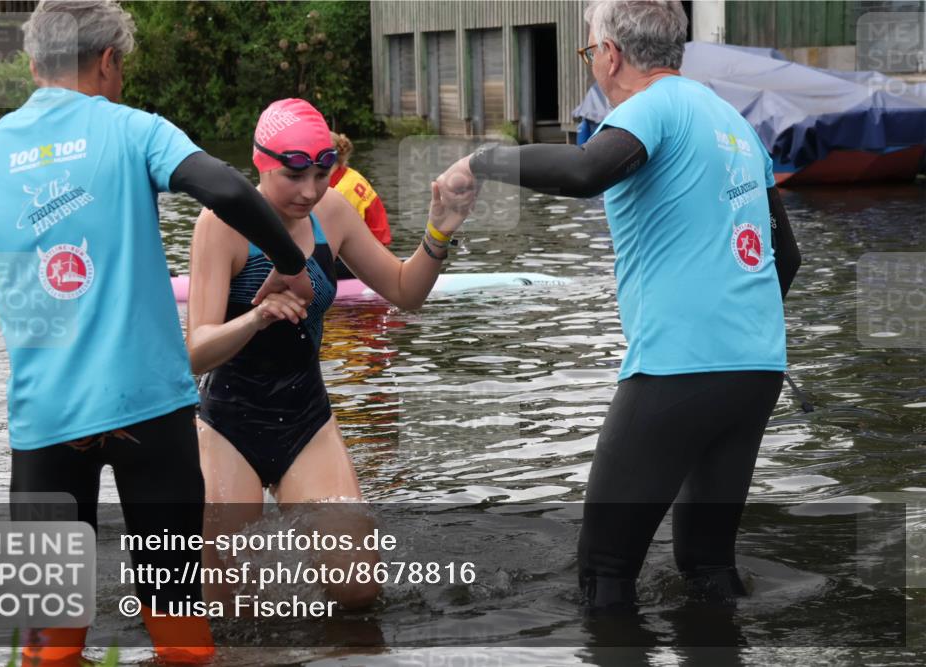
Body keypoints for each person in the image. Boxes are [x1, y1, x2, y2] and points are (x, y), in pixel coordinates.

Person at [0, 1, 312, 664]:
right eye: (120, 68)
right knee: (177, 618)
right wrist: (289, 263)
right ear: (107, 62)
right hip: (152, 417)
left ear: (32, 63)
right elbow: (222, 186)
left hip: (47, 426)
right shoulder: (135, 131)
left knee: (51, 639)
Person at [438, 0, 801, 612]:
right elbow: (784, 257)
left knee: (605, 571)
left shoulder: (650, 107)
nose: (591, 66)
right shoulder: (733, 122)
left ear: (610, 55)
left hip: (677, 367)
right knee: (708, 565)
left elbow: (585, 172)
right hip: (757, 366)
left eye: (588, 52)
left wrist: (481, 160)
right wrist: (740, 335)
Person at [186, 98, 473, 606]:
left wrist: (439, 231)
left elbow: (405, 291)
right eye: (294, 177)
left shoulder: (333, 212)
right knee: (226, 602)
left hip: (306, 418)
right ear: (262, 163)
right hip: (230, 422)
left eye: (321, 174)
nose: (309, 191)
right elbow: (196, 352)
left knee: (359, 590)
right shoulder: (220, 224)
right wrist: (256, 316)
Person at [327, 131, 392, 279]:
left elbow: (330, 241)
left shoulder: (341, 191)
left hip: (369, 259)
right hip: (373, 250)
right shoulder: (347, 174)